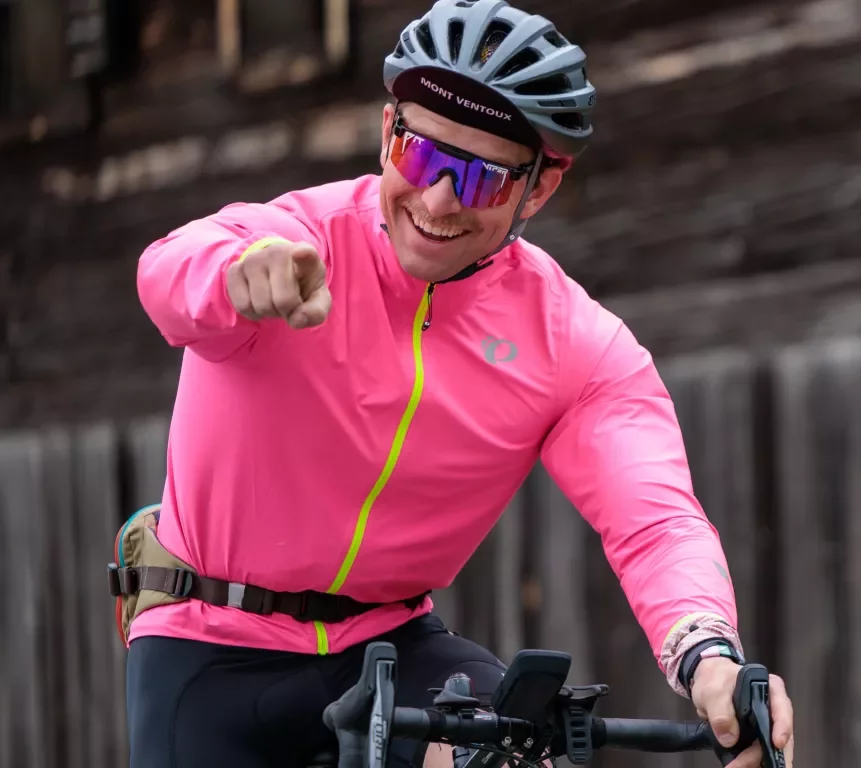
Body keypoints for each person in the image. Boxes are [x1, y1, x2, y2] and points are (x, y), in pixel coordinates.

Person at [127, 1, 795, 767]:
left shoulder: (572, 343)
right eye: (419, 154)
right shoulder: (295, 243)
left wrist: (707, 653)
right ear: (387, 134)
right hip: (206, 644)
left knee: (509, 755)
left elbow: (654, 522)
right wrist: (234, 278)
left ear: (537, 191)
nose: (438, 201)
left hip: (386, 644)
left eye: (480, 178)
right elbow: (169, 274)